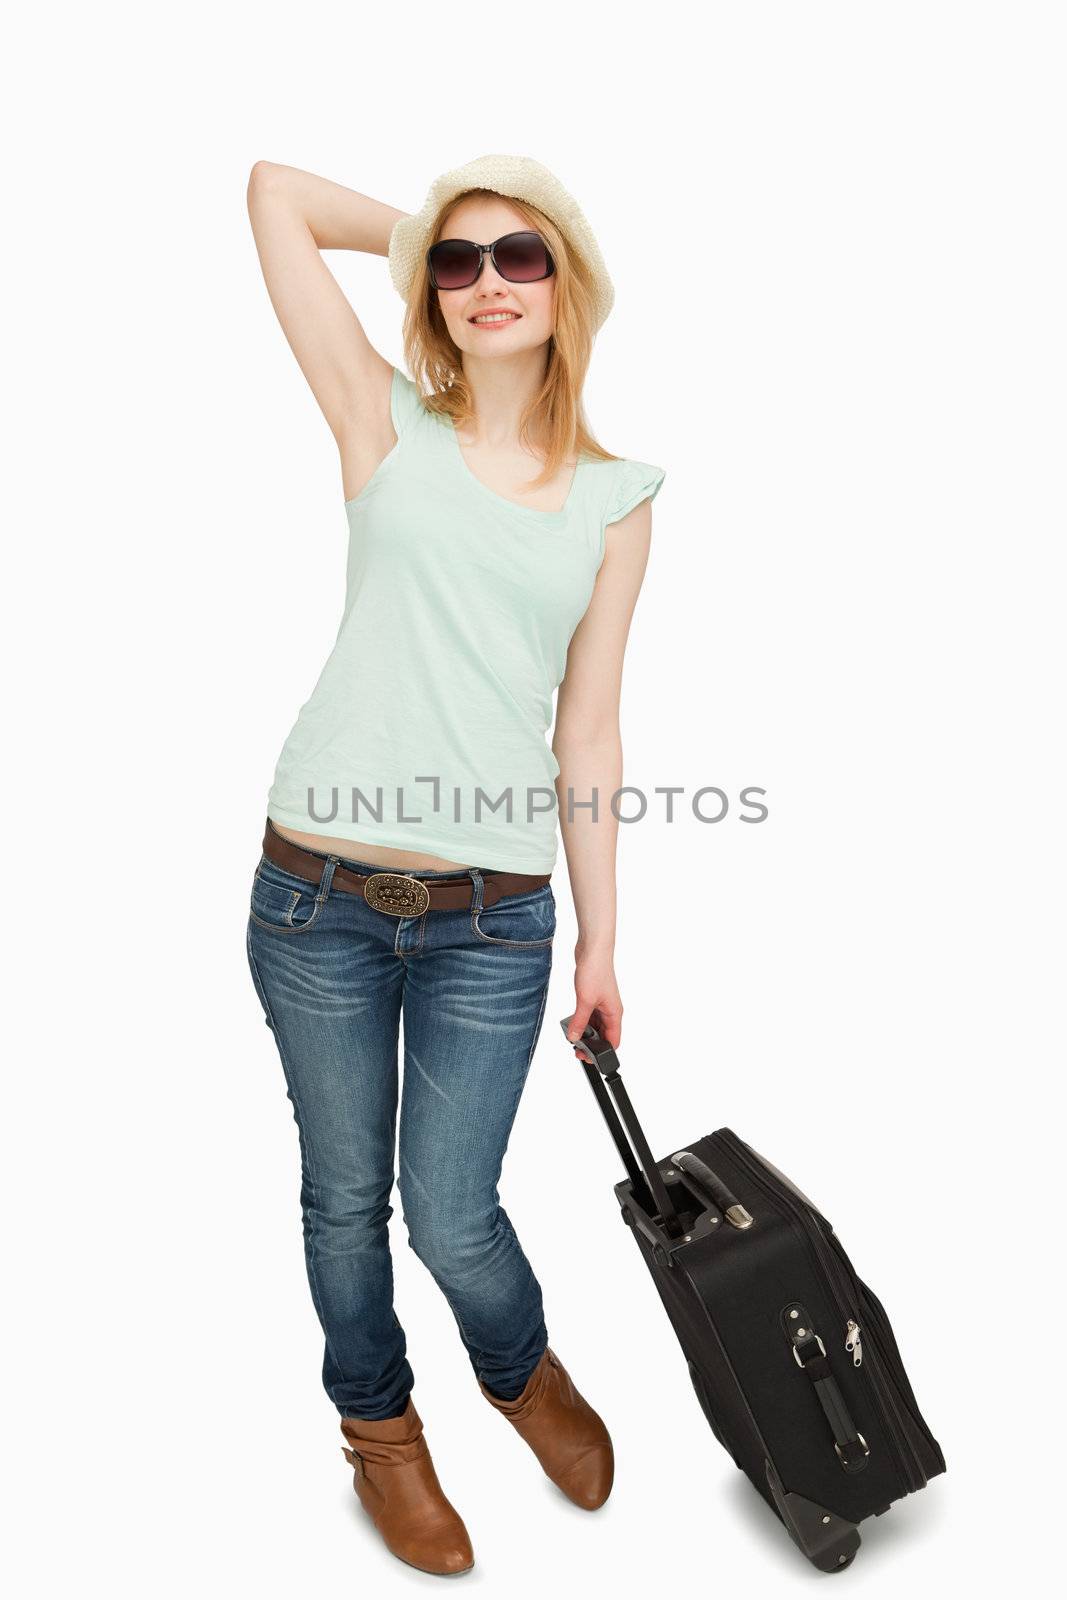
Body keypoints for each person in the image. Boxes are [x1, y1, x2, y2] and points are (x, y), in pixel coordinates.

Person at [244, 153, 666, 1575]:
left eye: (521, 258)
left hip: (495, 921)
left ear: (568, 290)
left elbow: (589, 733)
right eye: (459, 261)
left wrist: (605, 939)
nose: (489, 282)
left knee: (452, 1210)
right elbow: (274, 195)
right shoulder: (383, 423)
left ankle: (519, 1372)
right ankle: (381, 1435)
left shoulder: (615, 499)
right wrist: (417, 227)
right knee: (342, 1198)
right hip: (315, 901)